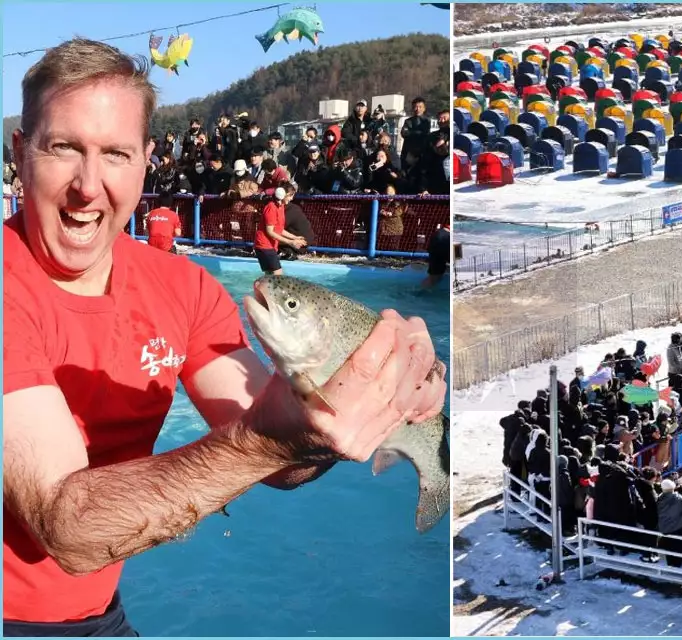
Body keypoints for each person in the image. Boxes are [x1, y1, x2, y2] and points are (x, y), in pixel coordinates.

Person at [2, 38, 446, 636]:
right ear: (20, 151)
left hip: (98, 614)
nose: (88, 185)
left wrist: (340, 413)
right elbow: (68, 531)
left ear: (146, 161)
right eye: (64, 148)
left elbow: (281, 458)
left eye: (115, 154)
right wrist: (267, 441)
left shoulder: (184, 289)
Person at [254, 187, 306, 274]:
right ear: (283, 195)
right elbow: (270, 231)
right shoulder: (271, 207)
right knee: (278, 275)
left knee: (270, 276)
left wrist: (294, 237)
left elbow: (279, 229)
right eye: (290, 195)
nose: (292, 198)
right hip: (264, 246)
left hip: (269, 246)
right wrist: (290, 242)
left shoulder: (280, 206)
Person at [422, 223, 450, 289]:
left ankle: (422, 289)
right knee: (434, 278)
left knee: (433, 278)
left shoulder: (437, 233)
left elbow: (429, 248)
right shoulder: (447, 236)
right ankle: (422, 291)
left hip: (434, 257)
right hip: (440, 257)